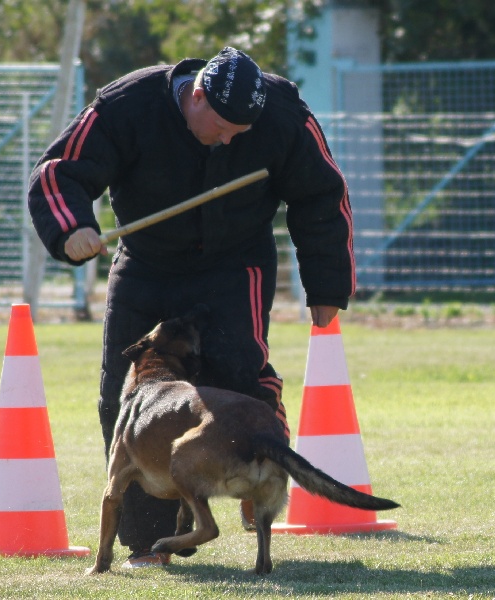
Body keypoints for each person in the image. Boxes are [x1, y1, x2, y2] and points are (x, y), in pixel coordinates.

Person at [28, 46, 356, 567]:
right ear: (196, 96)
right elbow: (57, 171)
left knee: (238, 373)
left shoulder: (282, 112)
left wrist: (327, 287)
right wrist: (72, 227)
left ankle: (255, 475)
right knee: (126, 399)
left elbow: (324, 195)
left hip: (236, 262)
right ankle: (146, 544)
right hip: (145, 264)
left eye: (241, 134)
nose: (230, 140)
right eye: (223, 127)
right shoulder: (127, 105)